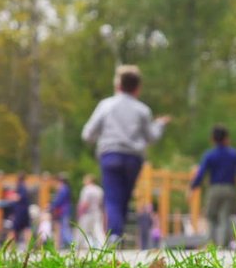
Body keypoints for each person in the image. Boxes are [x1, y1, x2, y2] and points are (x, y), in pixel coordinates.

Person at [82, 65, 170, 244]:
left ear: (118, 85)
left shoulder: (106, 105)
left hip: (110, 155)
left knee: (113, 196)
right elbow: (151, 137)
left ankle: (114, 235)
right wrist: (159, 124)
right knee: (123, 197)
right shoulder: (143, 110)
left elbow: (87, 134)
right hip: (133, 158)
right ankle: (116, 234)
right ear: (138, 88)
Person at [189, 125, 236, 248]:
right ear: (226, 138)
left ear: (213, 139)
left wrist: (193, 186)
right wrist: (234, 171)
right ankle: (224, 245)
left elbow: (201, 173)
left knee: (211, 216)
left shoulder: (210, 155)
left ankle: (212, 243)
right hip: (229, 188)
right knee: (225, 216)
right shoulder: (233, 154)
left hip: (214, 188)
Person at [75, 174, 106, 249]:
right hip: (97, 212)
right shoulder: (99, 190)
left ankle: (76, 246)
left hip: (87, 213)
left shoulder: (86, 189)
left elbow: (84, 203)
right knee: (98, 230)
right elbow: (102, 203)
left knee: (81, 230)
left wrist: (79, 213)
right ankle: (103, 246)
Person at [8, 173, 32, 248]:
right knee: (27, 228)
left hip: (20, 212)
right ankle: (29, 246)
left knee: (14, 229)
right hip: (25, 211)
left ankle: (9, 247)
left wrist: (11, 196)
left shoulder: (21, 187)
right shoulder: (24, 187)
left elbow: (19, 197)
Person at [50, 173, 73, 248]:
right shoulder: (65, 188)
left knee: (65, 228)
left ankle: (71, 243)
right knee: (63, 227)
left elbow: (58, 201)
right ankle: (65, 244)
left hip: (63, 211)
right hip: (63, 211)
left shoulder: (63, 189)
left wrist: (51, 206)